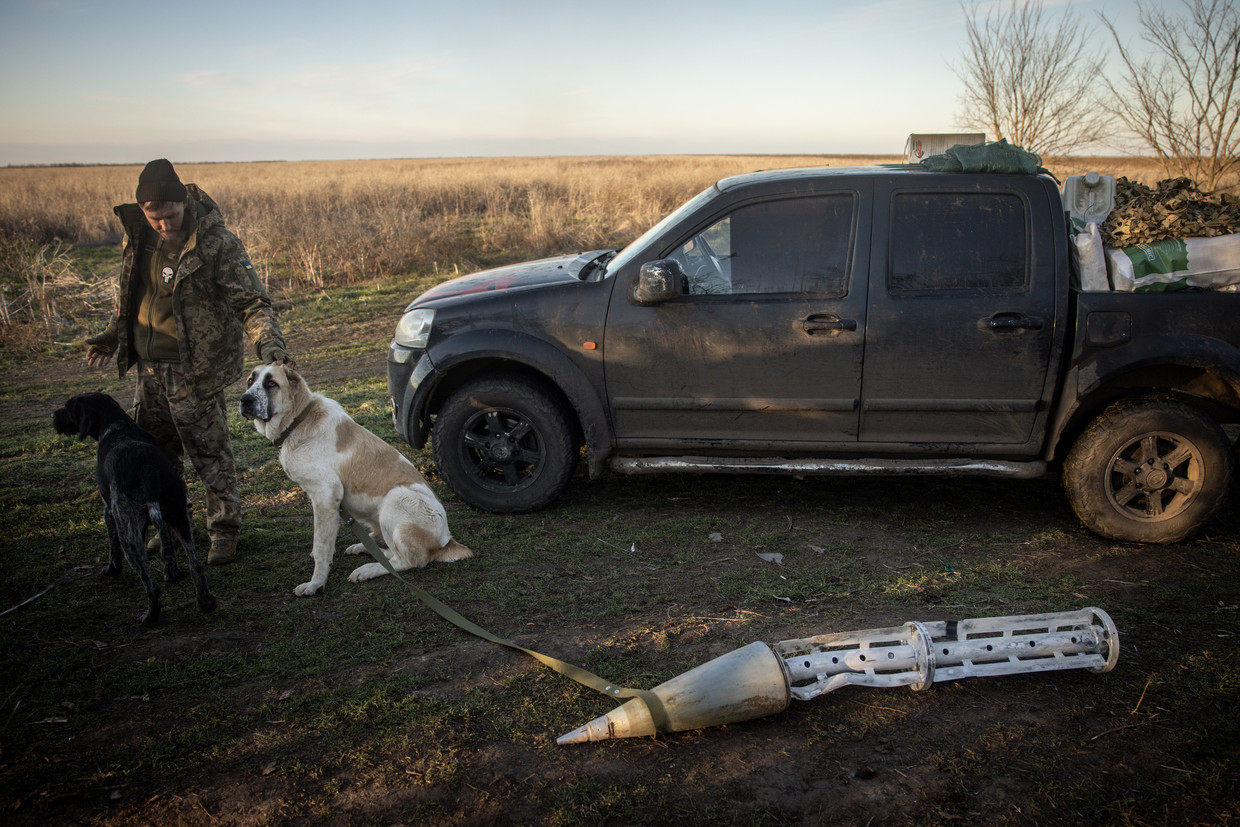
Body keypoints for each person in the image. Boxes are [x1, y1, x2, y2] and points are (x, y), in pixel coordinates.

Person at [85, 159, 291, 565]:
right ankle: (173, 527)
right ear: (142, 210)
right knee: (158, 457)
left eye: (171, 215)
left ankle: (225, 531)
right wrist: (114, 335)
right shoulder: (139, 237)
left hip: (194, 371)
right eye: (154, 216)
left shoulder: (216, 243)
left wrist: (270, 345)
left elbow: (251, 303)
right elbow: (134, 297)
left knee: (209, 453)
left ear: (184, 200)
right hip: (149, 371)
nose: (164, 224)